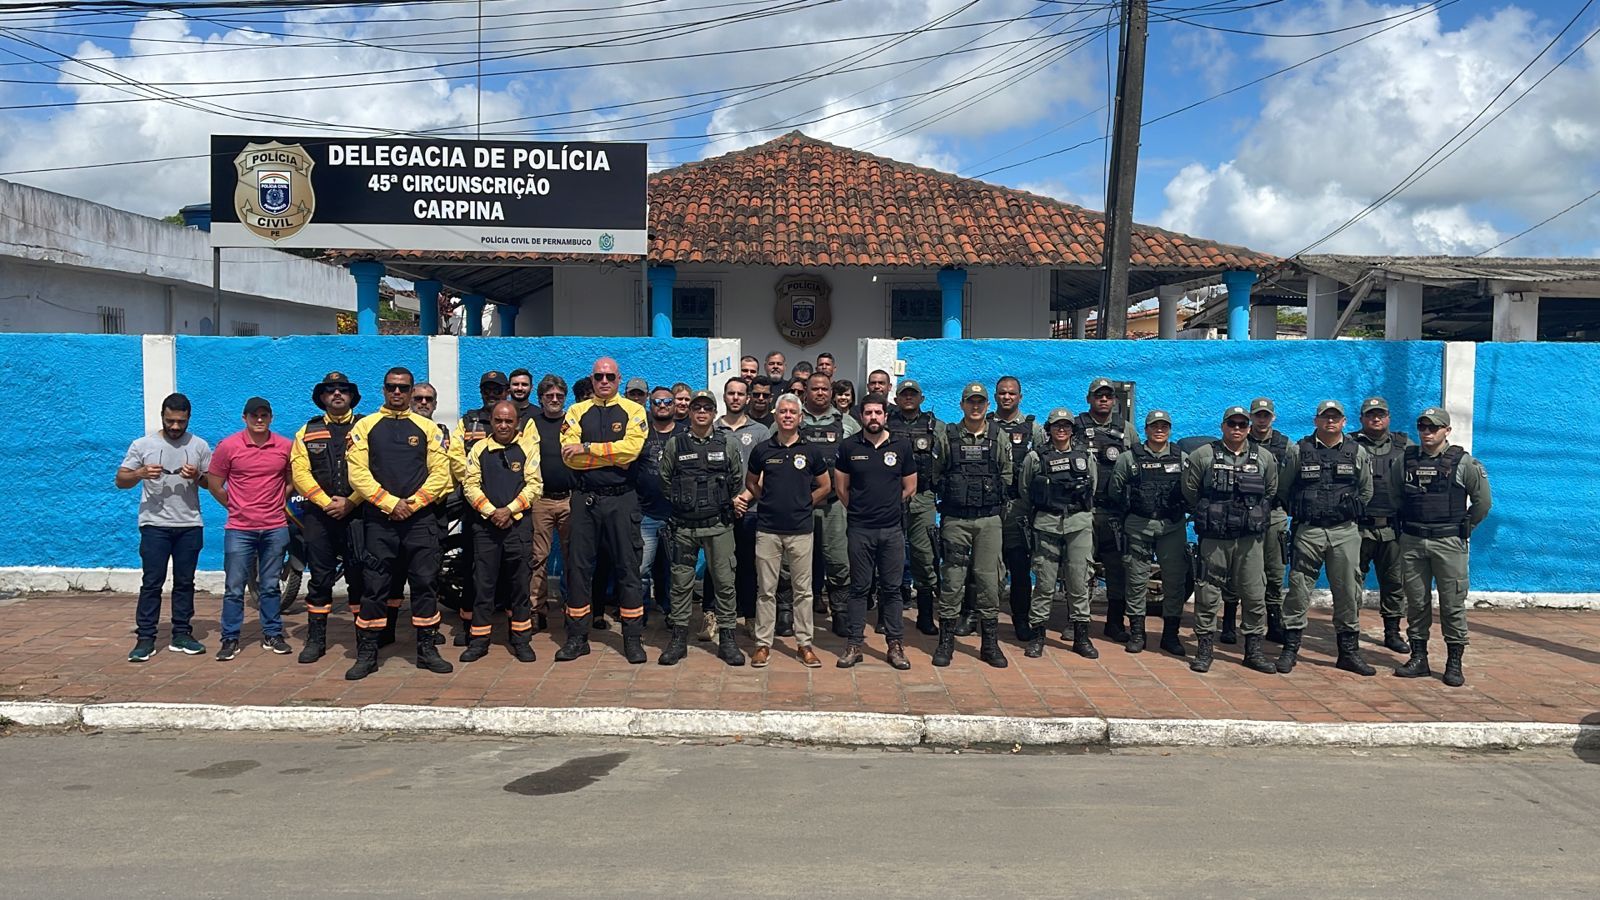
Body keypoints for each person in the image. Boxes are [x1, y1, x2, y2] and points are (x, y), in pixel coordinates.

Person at [343, 367, 455, 680]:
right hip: (380, 522)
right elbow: (358, 474)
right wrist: (391, 504)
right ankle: (367, 653)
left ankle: (427, 650)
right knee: (375, 588)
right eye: (392, 387)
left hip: (420, 522)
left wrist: (413, 504)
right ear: (383, 389)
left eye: (403, 388)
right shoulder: (365, 427)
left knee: (425, 586)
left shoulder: (428, 428)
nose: (398, 393)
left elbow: (440, 473)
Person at [556, 357, 649, 663]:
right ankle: (577, 637)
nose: (604, 381)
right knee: (579, 568)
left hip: (622, 499)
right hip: (585, 499)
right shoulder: (576, 411)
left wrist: (587, 449)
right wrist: (611, 455)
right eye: (599, 376)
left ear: (619, 378)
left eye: (610, 376)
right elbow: (570, 458)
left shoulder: (634, 411)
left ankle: (632, 639)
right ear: (592, 379)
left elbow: (632, 451)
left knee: (627, 567)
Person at [1392, 407, 1491, 687]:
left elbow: (1482, 502)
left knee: (1452, 603)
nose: (1427, 432)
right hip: (1412, 541)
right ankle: (1419, 658)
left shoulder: (1464, 463)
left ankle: (1454, 662)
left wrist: (1464, 527)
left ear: (1447, 430)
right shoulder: (1405, 460)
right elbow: (1395, 494)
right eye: (1422, 427)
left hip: (1449, 542)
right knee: (1416, 602)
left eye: (1433, 427)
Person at [1277, 400, 1376, 675]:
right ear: (1316, 420)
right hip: (1308, 530)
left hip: (1344, 531)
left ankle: (1348, 652)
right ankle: (1290, 649)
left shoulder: (1357, 452)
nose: (1330, 422)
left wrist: (1348, 511)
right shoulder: (1300, 450)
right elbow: (1284, 488)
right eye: (1325, 417)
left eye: (1335, 418)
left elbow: (1366, 491)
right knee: (1298, 589)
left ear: (1344, 422)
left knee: (1348, 591)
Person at [1181, 406, 1279, 674]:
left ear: (1249, 428)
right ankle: (1204, 649)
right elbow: (1190, 490)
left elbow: (1270, 490)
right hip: (1215, 538)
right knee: (1208, 592)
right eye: (1232, 423)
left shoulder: (1264, 457)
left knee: (1254, 593)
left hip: (1249, 539)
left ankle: (1254, 650)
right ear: (1223, 426)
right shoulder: (1203, 455)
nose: (1237, 428)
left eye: (1242, 424)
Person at [117, 392, 211, 662]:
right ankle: (145, 638)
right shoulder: (142, 444)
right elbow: (120, 480)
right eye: (170, 421)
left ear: (188, 419)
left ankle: (182, 634)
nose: (175, 427)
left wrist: (198, 476)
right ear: (162, 417)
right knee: (151, 582)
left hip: (189, 524)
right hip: (154, 525)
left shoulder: (200, 446)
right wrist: (139, 473)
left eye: (181, 422)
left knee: (185, 582)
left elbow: (211, 483)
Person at [659, 390, 747, 667]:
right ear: (690, 411)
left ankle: (728, 639)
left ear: (713, 412)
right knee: (681, 584)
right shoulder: (676, 444)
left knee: (724, 583)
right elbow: (664, 480)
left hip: (718, 526)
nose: (700, 412)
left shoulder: (727, 443)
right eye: (696, 407)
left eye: (706, 408)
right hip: (684, 527)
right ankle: (678, 639)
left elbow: (736, 480)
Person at [742, 393, 830, 668]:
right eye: (783, 412)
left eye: (793, 412)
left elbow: (826, 486)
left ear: (800, 417)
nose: (788, 415)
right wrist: (764, 499)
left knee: (803, 591)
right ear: (776, 415)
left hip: (801, 530)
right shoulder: (763, 450)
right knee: (766, 590)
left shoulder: (811, 451)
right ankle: (762, 644)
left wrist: (806, 503)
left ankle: (805, 644)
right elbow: (751, 481)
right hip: (768, 529)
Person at [931, 382, 1013, 668]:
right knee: (953, 580)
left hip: (989, 520)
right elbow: (936, 473)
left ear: (988, 406)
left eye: (980, 402)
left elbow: (1007, 475)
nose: (975, 406)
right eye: (970, 401)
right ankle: (946, 643)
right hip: (956, 519)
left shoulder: (998, 437)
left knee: (989, 581)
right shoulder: (947, 436)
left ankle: (989, 644)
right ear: (962, 404)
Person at [206, 396, 294, 662]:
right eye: (254, 415)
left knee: (270, 585)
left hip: (275, 526)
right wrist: (235, 506)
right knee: (234, 587)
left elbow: (292, 481)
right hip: (239, 528)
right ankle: (230, 638)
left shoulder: (285, 446)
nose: (259, 420)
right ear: (244, 418)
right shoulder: (228, 446)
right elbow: (214, 483)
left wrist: (279, 501)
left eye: (264, 415)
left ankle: (272, 634)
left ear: (270, 418)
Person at [834, 392, 916, 669]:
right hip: (860, 529)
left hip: (892, 530)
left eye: (877, 413)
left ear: (885, 415)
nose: (873, 418)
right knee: (858, 589)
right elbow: (841, 489)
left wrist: (888, 506)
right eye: (868, 413)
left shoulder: (901, 446)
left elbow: (910, 487)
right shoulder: (848, 447)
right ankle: (854, 643)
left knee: (892, 589)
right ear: (861, 416)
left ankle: (895, 645)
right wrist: (862, 510)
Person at [289, 372, 365, 664]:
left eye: (343, 390)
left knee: (360, 578)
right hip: (319, 518)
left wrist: (351, 501)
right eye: (330, 390)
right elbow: (300, 474)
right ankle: (316, 640)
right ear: (322, 397)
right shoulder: (307, 431)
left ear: (351, 396)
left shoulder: (365, 427)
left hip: (357, 515)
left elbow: (374, 468)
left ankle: (364, 640)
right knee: (320, 579)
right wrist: (325, 502)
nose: (336, 394)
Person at [460, 400, 542, 663]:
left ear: (516, 422)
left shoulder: (527, 448)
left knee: (519, 585)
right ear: (491, 422)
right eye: (498, 420)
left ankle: (521, 640)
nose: (503, 425)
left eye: (509, 421)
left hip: (518, 526)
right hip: (486, 527)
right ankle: (479, 641)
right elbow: (470, 485)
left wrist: (509, 511)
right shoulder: (479, 449)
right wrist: (491, 511)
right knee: (483, 584)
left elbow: (535, 485)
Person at [1016, 406, 1098, 659]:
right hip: (1047, 523)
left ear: (1073, 430)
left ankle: (1081, 637)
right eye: (1056, 426)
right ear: (1049, 430)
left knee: (1079, 580)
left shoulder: (1086, 455)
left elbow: (1092, 486)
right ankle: (1038, 635)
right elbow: (1025, 489)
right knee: (1044, 582)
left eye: (1066, 426)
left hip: (1078, 523)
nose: (1061, 430)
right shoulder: (1035, 457)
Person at [1110, 409, 1189, 656]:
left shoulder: (1181, 457)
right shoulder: (1129, 457)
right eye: (1154, 426)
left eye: (1164, 426)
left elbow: (1191, 489)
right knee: (1136, 580)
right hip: (1138, 526)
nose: (1159, 430)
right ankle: (1137, 633)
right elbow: (1115, 489)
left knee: (1174, 581)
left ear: (1169, 429)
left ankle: (1170, 635)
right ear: (1145, 430)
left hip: (1171, 527)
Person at [1076, 377, 1138, 643]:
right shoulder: (1076, 427)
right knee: (1081, 568)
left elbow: (1137, 465)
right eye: (1098, 396)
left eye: (1108, 396)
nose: (1103, 400)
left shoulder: (1127, 430)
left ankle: (1114, 622)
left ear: (1114, 400)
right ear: (1089, 399)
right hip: (1084, 510)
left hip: (1115, 512)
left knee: (1117, 568)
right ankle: (1077, 621)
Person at [797, 372, 859, 636]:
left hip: (835, 504)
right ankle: (790, 614)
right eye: (815, 389)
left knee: (838, 560)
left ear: (831, 392)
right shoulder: (792, 418)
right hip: (800, 504)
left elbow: (861, 459)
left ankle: (841, 613)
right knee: (794, 562)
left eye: (825, 389)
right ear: (806, 391)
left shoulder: (848, 424)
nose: (820, 393)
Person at [1352, 396, 1412, 653]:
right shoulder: (1349, 444)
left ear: (1388, 417)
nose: (1376, 418)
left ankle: (1392, 632)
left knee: (1394, 583)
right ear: (1362, 418)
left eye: (1381, 414)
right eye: (1370, 414)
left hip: (1392, 528)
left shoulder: (1405, 446)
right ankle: (1349, 631)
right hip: (1357, 527)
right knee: (1352, 582)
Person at [989, 375, 1045, 642]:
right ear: (996, 396)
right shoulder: (986, 424)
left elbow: (1044, 465)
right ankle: (972, 614)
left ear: (1020, 397)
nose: (1007, 397)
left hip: (1019, 509)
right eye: (1002, 393)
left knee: (1020, 571)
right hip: (989, 506)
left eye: (1012, 393)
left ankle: (1021, 620)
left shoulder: (1033, 429)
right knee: (981, 566)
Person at [886, 379, 941, 635]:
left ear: (921, 398)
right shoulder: (885, 424)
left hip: (923, 498)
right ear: (896, 399)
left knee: (924, 556)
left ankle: (926, 614)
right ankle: (888, 614)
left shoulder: (934, 426)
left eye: (913, 394)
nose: (908, 398)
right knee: (889, 556)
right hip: (890, 497)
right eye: (904, 394)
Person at [715, 377, 767, 630]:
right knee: (720, 564)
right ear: (724, 396)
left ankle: (749, 616)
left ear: (747, 398)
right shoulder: (713, 430)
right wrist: (730, 500)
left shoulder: (760, 432)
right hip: (720, 510)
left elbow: (767, 471)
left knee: (748, 565)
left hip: (751, 509)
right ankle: (716, 616)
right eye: (731, 393)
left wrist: (745, 497)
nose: (735, 397)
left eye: (740, 394)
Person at [1245, 397, 1292, 644]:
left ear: (1273, 417)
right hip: (1244, 514)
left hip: (1274, 514)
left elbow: (1295, 477)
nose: (1261, 419)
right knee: (1240, 570)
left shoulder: (1286, 445)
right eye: (1258, 415)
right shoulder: (1241, 439)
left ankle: (1274, 622)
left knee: (1274, 571)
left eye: (1266, 415)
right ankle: (1232, 622)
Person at [528, 374, 572, 632]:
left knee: (572, 557)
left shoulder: (573, 422)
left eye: (559, 396)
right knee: (538, 558)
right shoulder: (532, 424)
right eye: (549, 396)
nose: (554, 400)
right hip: (541, 500)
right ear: (541, 398)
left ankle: (573, 609)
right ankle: (537, 611)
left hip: (569, 499)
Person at [636, 386, 682, 626]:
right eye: (657, 402)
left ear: (674, 405)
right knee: (642, 569)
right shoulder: (640, 434)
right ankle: (639, 614)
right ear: (650, 406)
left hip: (677, 515)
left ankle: (672, 613)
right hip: (646, 513)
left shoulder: (685, 434)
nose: (662, 406)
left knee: (676, 570)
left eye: (667, 401)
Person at [456, 371, 509, 448]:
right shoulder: (468, 421)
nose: (491, 394)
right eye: (486, 391)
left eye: (497, 391)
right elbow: (456, 453)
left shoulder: (520, 421)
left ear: (507, 392)